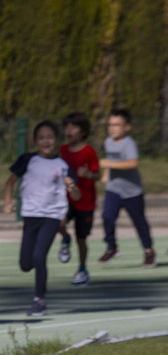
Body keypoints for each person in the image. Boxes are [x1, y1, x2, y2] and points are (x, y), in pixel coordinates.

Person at [4, 120, 80, 317]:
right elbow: (10, 181)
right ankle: (66, 239)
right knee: (25, 264)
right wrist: (7, 202)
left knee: (39, 257)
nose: (46, 141)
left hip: (52, 216)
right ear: (35, 141)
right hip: (31, 215)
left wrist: (72, 187)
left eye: (50, 138)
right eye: (41, 138)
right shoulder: (28, 160)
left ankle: (39, 300)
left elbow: (77, 195)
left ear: (56, 140)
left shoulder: (62, 165)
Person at [97, 108, 155, 267]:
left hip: (132, 192)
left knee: (139, 222)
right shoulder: (108, 142)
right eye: (110, 125)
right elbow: (109, 160)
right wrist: (105, 173)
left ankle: (149, 251)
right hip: (114, 189)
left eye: (117, 125)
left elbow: (132, 163)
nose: (112, 128)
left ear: (127, 126)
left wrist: (108, 164)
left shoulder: (129, 144)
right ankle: (112, 248)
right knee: (107, 217)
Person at [57, 112, 100, 285]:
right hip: (66, 199)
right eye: (66, 127)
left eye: (73, 127)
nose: (69, 130)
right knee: (57, 224)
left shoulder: (89, 152)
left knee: (81, 239)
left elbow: (97, 175)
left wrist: (88, 174)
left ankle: (82, 269)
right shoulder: (62, 151)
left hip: (85, 202)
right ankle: (65, 238)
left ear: (83, 131)